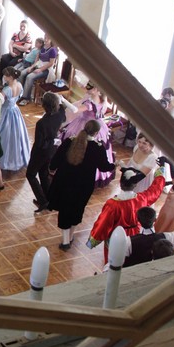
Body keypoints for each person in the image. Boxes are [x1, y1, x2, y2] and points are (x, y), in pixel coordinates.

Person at [47, 119, 115, 251]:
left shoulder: (70, 141)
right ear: (96, 133)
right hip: (84, 186)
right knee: (77, 209)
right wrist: (114, 165)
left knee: (65, 209)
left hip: (65, 182)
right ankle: (70, 237)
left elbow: (56, 159)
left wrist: (52, 168)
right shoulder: (97, 147)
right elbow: (104, 167)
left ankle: (65, 241)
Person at [87, 167, 166, 264]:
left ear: (120, 184)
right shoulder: (142, 199)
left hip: (117, 237)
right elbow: (155, 191)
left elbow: (103, 224)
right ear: (135, 185)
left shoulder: (112, 204)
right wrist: (159, 175)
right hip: (136, 236)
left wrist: (94, 239)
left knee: (114, 261)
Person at [58, 82, 115, 188]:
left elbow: (75, 110)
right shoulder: (101, 99)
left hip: (87, 125)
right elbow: (85, 89)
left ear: (97, 90)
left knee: (77, 144)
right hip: (98, 125)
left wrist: (63, 100)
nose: (87, 89)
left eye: (90, 88)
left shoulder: (90, 104)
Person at [27, 92, 76, 213]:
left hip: (41, 152)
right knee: (43, 173)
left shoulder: (41, 123)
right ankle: (49, 198)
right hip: (52, 150)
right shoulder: (60, 114)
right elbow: (64, 110)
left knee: (31, 174)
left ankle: (42, 201)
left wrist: (50, 141)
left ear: (44, 105)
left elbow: (40, 143)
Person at [0, 67, 30, 171]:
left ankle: (1, 159)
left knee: (2, 134)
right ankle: (15, 157)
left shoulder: (7, 89)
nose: (4, 77)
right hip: (15, 111)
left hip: (5, 112)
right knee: (16, 134)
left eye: (5, 76)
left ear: (10, 77)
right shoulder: (19, 85)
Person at [17, 35, 57, 105]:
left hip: (46, 69)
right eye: (45, 38)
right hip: (38, 65)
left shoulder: (53, 50)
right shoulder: (42, 48)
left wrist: (40, 69)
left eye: (48, 38)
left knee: (29, 77)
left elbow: (51, 63)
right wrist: (31, 67)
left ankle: (26, 98)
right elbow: (37, 60)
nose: (46, 39)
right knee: (22, 73)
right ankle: (19, 93)